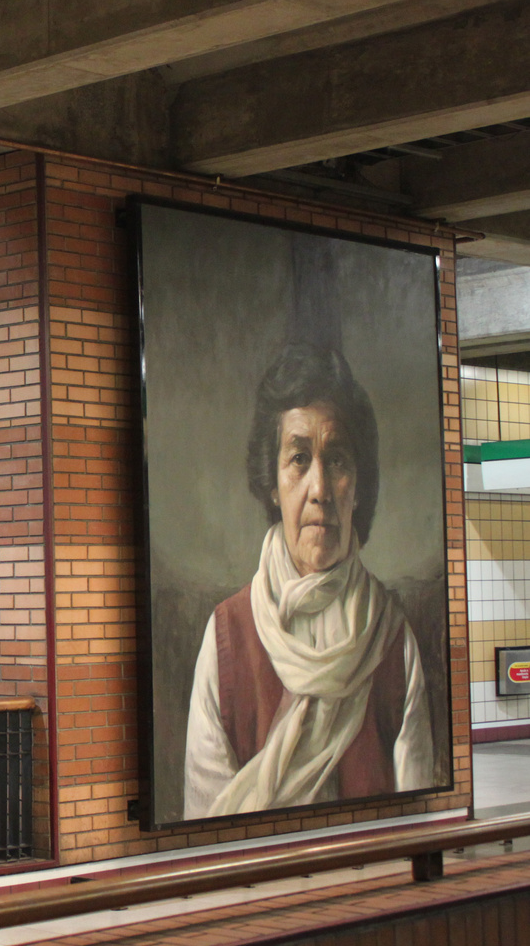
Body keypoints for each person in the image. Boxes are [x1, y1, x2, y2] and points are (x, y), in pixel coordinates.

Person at [182, 344, 434, 821]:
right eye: (299, 458)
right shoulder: (226, 637)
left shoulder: (393, 638)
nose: (319, 489)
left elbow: (417, 813)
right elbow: (205, 823)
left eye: (337, 460)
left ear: (358, 485)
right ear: (272, 485)